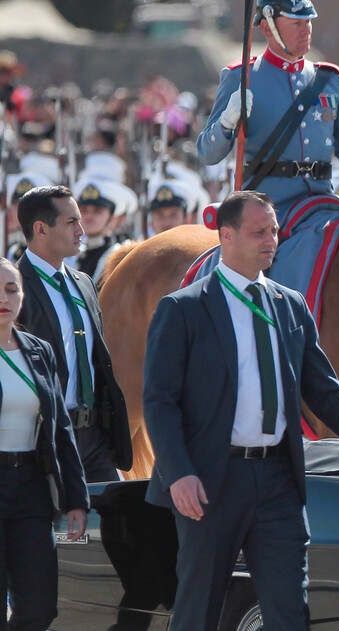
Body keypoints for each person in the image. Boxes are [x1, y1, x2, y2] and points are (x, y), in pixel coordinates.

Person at [142, 190, 339, 631]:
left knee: (290, 612)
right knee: (199, 609)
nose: (271, 240)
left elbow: (326, 391)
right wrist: (178, 472)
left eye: (274, 230)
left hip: (278, 481)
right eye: (259, 232)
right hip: (211, 481)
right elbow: (159, 401)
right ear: (227, 235)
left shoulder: (290, 304)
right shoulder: (183, 309)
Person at [196, 0, 339, 221]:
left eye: (308, 22)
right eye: (295, 23)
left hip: (322, 203)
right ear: (267, 28)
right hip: (266, 209)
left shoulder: (330, 80)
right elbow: (207, 154)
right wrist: (225, 122)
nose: (306, 30)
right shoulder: (241, 77)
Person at [16, 185, 132, 482]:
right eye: (71, 222)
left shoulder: (83, 283)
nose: (81, 230)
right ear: (40, 229)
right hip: (43, 438)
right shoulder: (14, 288)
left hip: (94, 437)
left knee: (107, 525)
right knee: (53, 528)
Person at [0, 256, 88, 631]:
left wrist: (76, 499)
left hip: (32, 488)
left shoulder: (40, 350)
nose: (4, 297)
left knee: (39, 606)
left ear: (22, 296)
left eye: (11, 288)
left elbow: (60, 428)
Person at [72, 176, 136, 280]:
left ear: (111, 218)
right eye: (84, 210)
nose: (89, 216)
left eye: (97, 211)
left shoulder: (118, 256)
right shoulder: (75, 253)